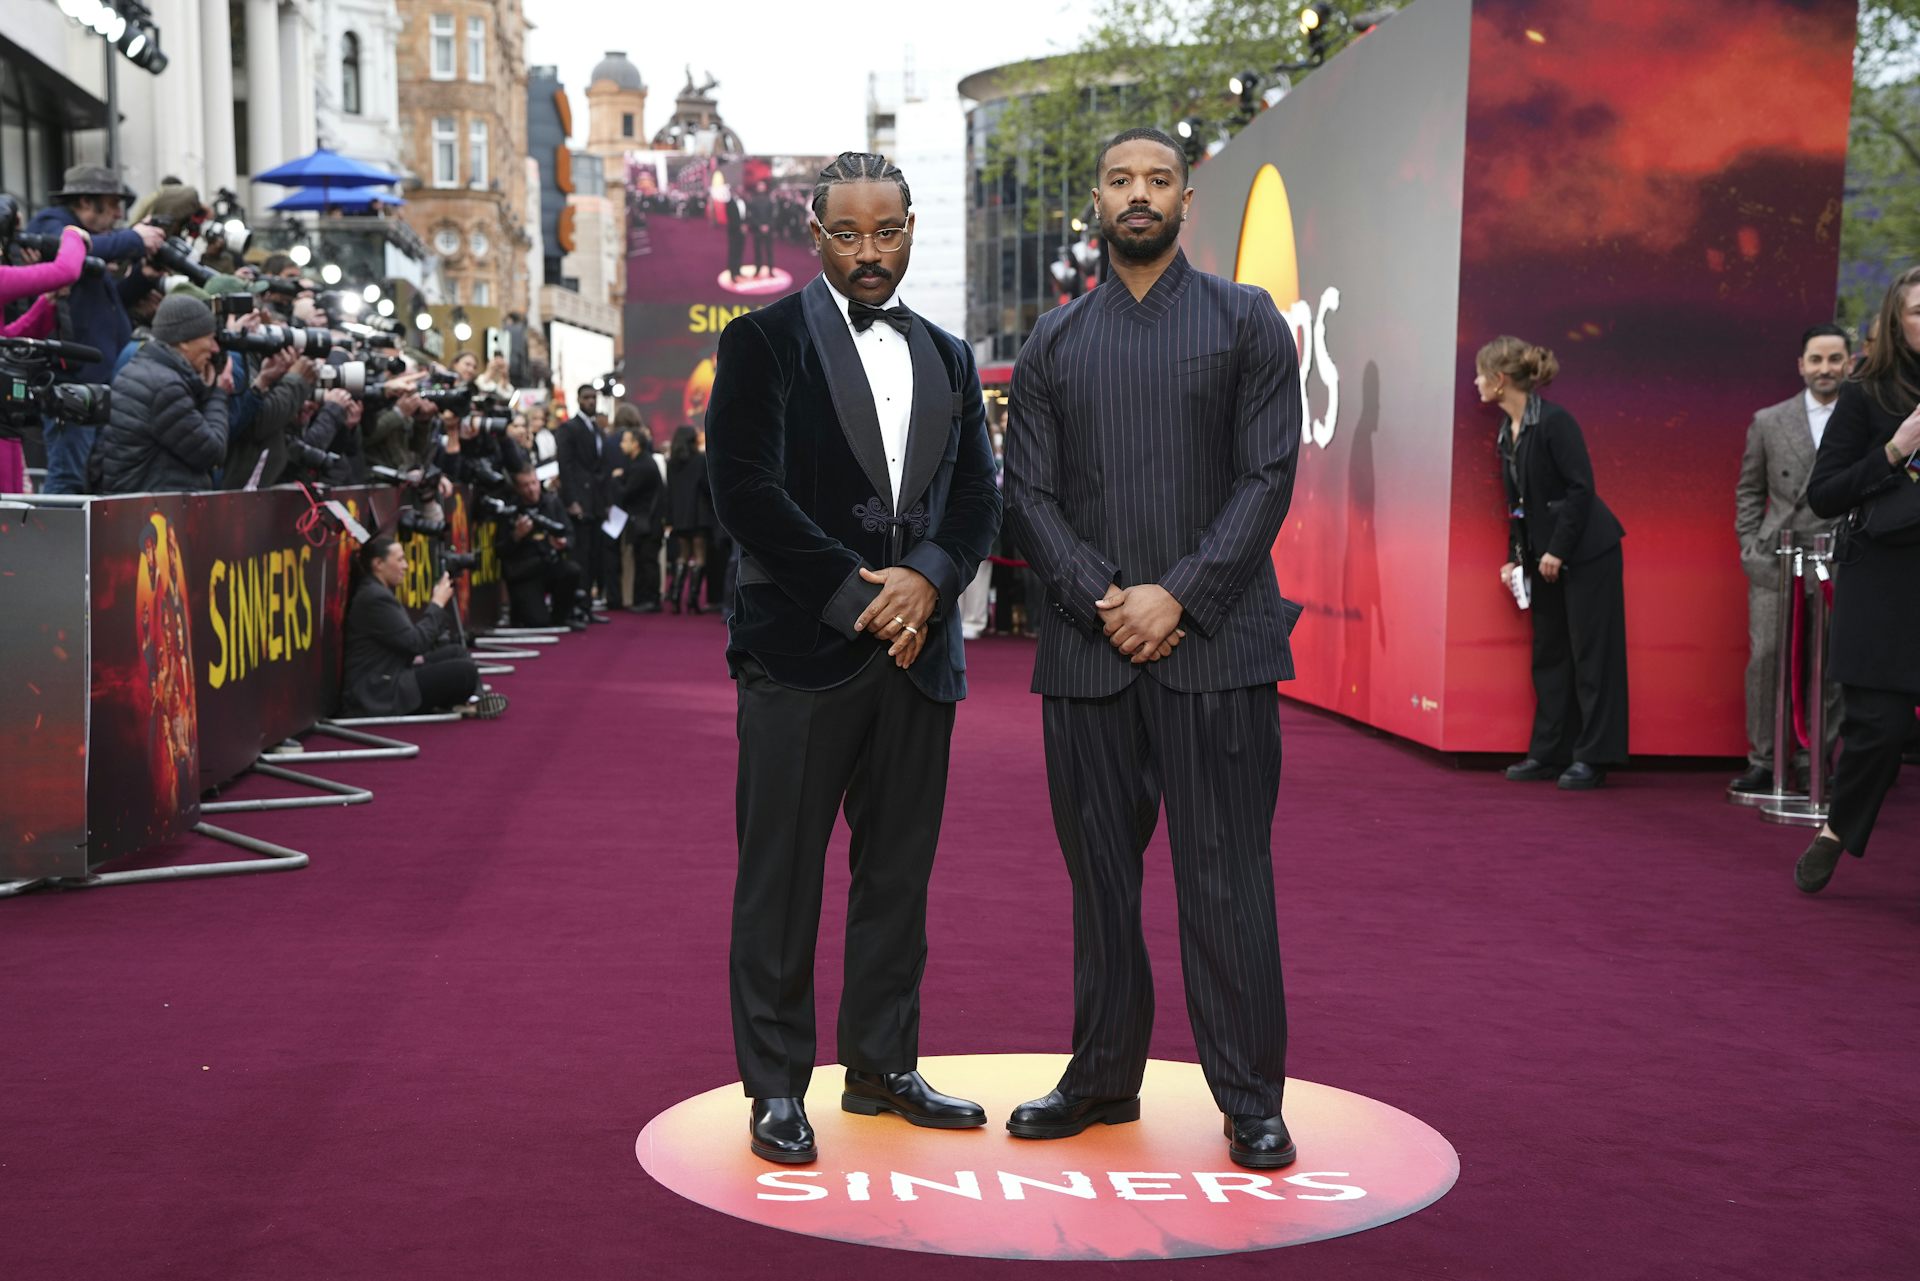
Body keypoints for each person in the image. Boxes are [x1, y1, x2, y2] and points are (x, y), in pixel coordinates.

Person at [1002, 127, 1301, 1170]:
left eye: (1159, 181)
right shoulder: (1053, 342)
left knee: (1226, 876)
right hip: (1088, 659)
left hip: (1216, 649)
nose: (1139, 195)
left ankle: (1252, 1098)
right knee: (1101, 885)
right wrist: (1100, 595)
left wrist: (1179, 596)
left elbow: (1269, 476)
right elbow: (1026, 495)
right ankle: (1100, 1079)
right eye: (1121, 179)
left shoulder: (1247, 320)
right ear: (1097, 197)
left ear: (1187, 201)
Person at [705, 150, 1002, 1165]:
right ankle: (777, 1090)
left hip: (923, 659)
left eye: (887, 232)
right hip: (800, 654)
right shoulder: (761, 340)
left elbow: (975, 500)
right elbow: (746, 492)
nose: (869, 254)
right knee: (780, 882)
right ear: (814, 234)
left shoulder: (953, 357)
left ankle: (881, 1068)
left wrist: (927, 578)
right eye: (849, 234)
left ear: (912, 227)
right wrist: (860, 600)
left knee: (897, 881)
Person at [1795, 266, 1920, 893]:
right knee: (1881, 729)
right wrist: (1895, 450)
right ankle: (1838, 828)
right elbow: (1824, 494)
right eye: (1919, 311)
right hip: (1885, 579)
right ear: (1895, 322)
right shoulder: (1867, 393)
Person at [1481, 336, 1629, 789]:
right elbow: (1518, 506)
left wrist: (1558, 551)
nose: (1476, 383)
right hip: (1544, 560)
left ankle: (1594, 756)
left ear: (1500, 380)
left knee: (1592, 655)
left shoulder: (1556, 423)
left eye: (1481, 374)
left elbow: (1580, 489)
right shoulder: (1507, 433)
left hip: (1588, 553)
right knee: (1549, 653)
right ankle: (1548, 752)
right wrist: (1516, 559)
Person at [1731, 324, 1850, 795]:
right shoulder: (1768, 420)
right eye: (1816, 360)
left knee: (1828, 665)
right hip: (1775, 558)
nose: (1825, 369)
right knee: (1766, 658)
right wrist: (1748, 545)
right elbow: (1749, 490)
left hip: (1836, 557)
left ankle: (1813, 758)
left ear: (1849, 363)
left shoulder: (1862, 420)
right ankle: (1763, 760)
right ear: (1801, 365)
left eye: (1834, 360)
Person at [27, 165, 168, 492]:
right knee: (68, 475)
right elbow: (63, 248)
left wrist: (141, 279)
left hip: (94, 378)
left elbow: (106, 304)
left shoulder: (90, 243)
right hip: (70, 381)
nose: (119, 213)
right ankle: (54, 542)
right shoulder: (53, 224)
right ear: (87, 201)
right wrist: (133, 239)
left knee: (88, 475)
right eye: (113, 203)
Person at [341, 536, 504, 719]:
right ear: (378, 564)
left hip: (394, 672)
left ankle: (472, 701)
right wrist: (437, 603)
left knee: (457, 652)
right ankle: (469, 703)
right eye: (400, 559)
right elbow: (415, 643)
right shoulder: (375, 597)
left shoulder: (377, 591)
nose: (406, 566)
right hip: (379, 691)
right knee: (464, 671)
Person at [96, 294, 233, 494]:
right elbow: (211, 452)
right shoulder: (165, 388)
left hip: (138, 502)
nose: (215, 348)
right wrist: (219, 393)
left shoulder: (141, 369)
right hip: (157, 511)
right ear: (185, 341)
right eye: (210, 339)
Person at [500, 464, 585, 628]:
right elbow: (500, 550)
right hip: (524, 572)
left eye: (534, 483)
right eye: (525, 485)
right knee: (538, 622)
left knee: (571, 570)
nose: (531, 489)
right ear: (517, 488)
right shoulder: (510, 510)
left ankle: (562, 615)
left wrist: (562, 543)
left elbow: (569, 534)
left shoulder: (552, 502)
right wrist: (516, 536)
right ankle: (522, 611)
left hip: (548, 564)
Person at [556, 384, 610, 621]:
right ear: (578, 400)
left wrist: (605, 502)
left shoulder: (596, 429)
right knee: (581, 556)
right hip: (580, 501)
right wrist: (572, 500)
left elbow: (599, 468)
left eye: (593, 397)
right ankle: (577, 607)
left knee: (595, 557)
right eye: (587, 397)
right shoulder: (569, 428)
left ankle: (587, 606)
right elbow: (565, 467)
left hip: (596, 502)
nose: (591, 401)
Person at [611, 417, 664, 612]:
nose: (621, 444)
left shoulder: (643, 465)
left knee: (647, 562)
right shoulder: (640, 463)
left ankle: (649, 600)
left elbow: (626, 493)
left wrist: (617, 479)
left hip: (647, 523)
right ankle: (645, 600)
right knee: (643, 561)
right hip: (645, 521)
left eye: (625, 440)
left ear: (636, 444)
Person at [664, 424, 711, 614]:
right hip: (698, 513)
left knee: (682, 555)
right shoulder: (700, 460)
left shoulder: (671, 462)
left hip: (680, 514)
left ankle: (675, 595)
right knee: (699, 556)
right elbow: (707, 487)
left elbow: (669, 491)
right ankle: (692, 599)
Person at [747, 180, 775, 278]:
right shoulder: (753, 200)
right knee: (757, 251)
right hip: (757, 230)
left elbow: (772, 215)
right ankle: (758, 269)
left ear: (765, 187)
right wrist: (760, 226)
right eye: (759, 186)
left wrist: (768, 225)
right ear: (757, 187)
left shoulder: (769, 200)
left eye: (762, 185)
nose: (761, 187)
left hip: (768, 229)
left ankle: (771, 270)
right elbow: (751, 216)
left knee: (769, 251)